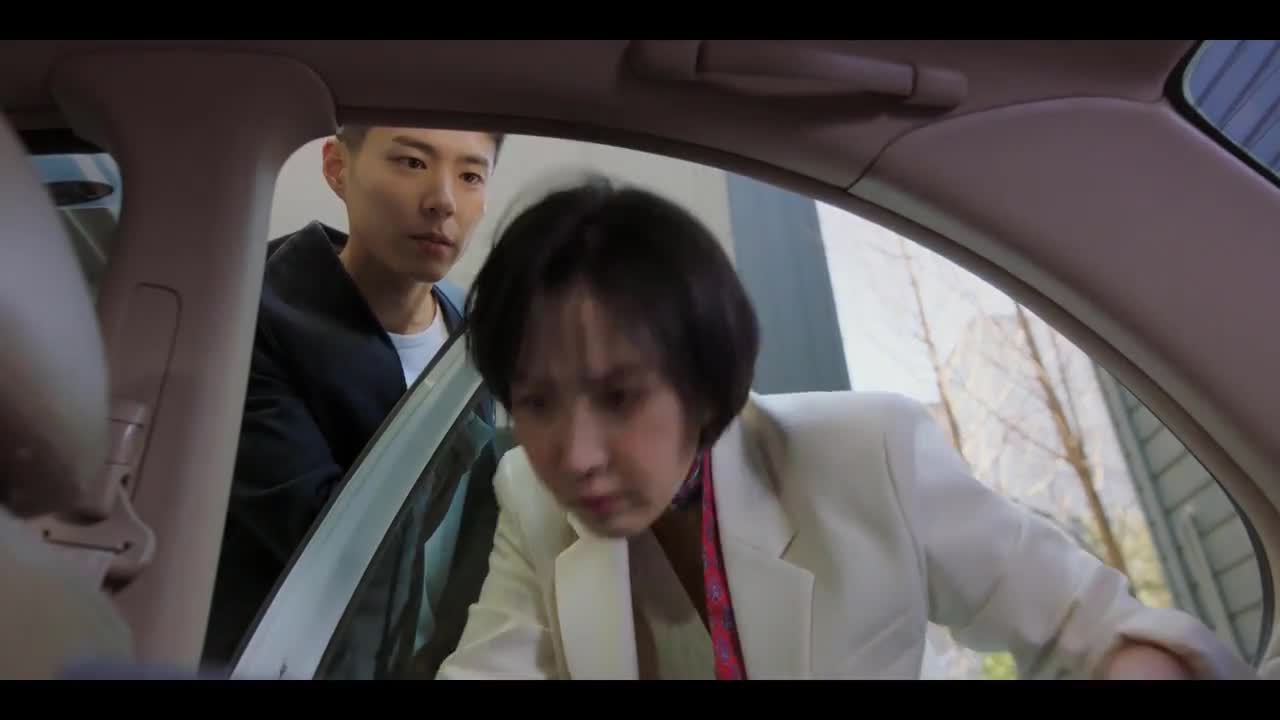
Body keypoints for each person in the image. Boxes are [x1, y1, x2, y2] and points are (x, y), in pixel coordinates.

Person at [436, 175, 1256, 680]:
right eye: (536, 402)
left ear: (704, 375)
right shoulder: (529, 499)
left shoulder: (867, 451)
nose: (574, 456)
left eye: (619, 397)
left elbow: (1093, 630)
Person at [204, 125, 503, 668]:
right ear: (337, 167)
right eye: (412, 163)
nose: (442, 201)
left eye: (470, 175)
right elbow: (330, 548)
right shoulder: (252, 321)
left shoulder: (470, 329)